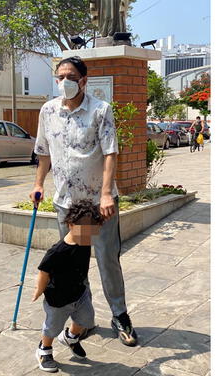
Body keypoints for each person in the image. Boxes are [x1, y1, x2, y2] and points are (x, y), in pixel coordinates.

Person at [30, 56, 138, 348]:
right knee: (74, 264)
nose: (65, 81)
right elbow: (43, 152)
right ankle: (84, 319)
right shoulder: (48, 110)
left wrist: (105, 193)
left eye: (71, 76)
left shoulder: (100, 110)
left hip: (95, 207)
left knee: (106, 260)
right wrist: (39, 183)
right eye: (60, 76)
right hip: (67, 204)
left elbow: (110, 153)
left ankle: (119, 315)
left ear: (83, 80)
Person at [33, 200, 104, 372]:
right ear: (71, 225)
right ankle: (44, 349)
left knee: (87, 318)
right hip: (58, 298)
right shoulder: (57, 251)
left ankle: (70, 337)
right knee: (52, 327)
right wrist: (39, 290)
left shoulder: (85, 242)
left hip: (79, 293)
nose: (89, 235)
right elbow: (43, 272)